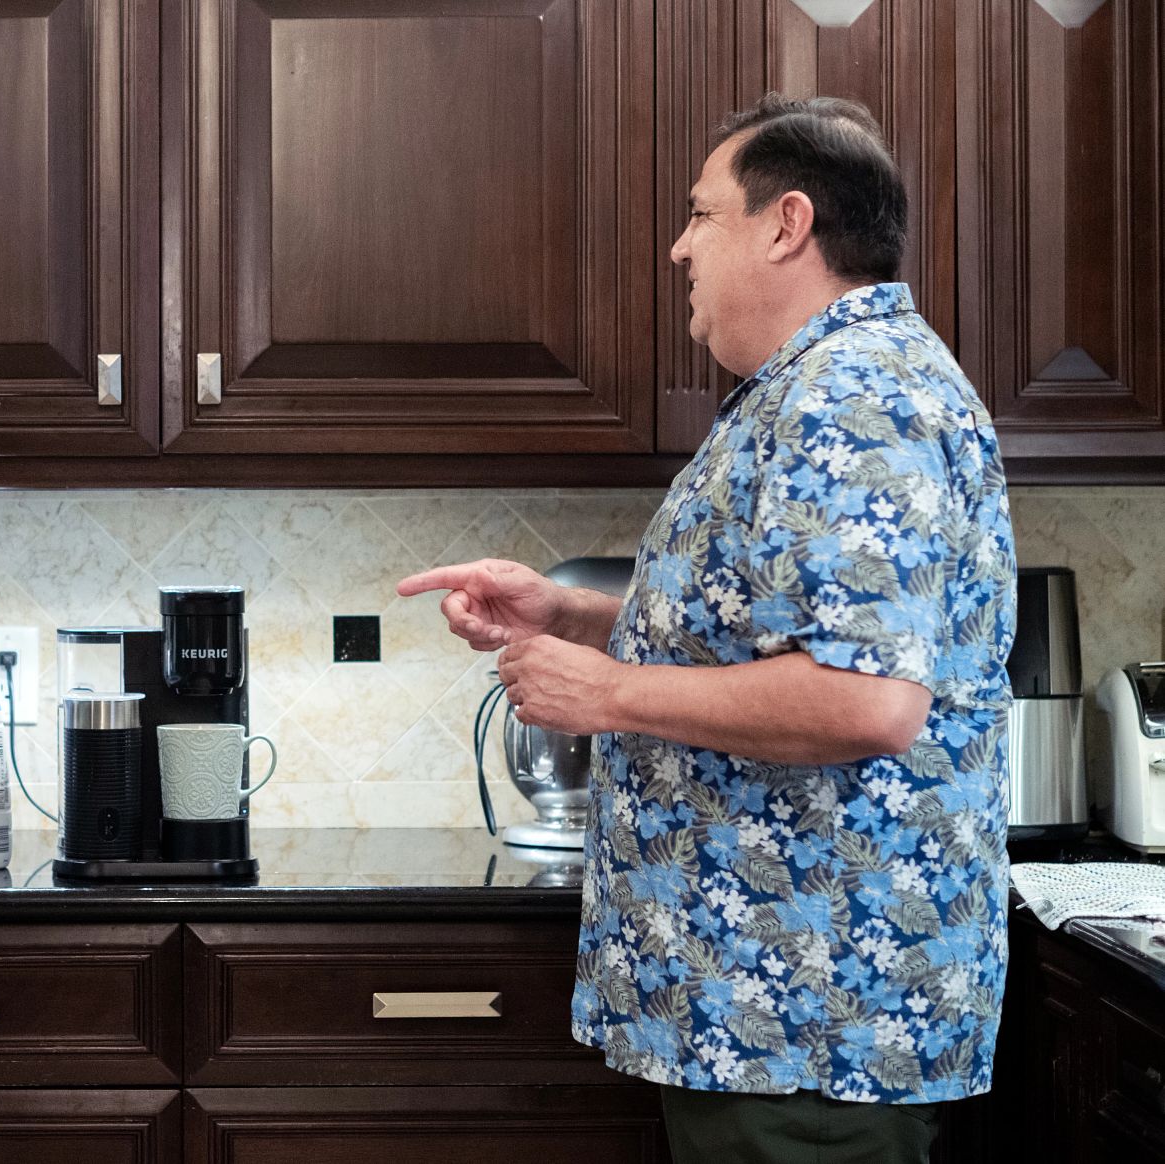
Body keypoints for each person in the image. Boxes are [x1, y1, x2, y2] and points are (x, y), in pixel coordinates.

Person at [399, 95, 1015, 1163]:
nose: (680, 246)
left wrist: (607, 695)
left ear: (786, 224)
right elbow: (772, 631)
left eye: (700, 215)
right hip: (758, 1011)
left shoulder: (857, 399)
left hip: (809, 1023)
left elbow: (863, 699)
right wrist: (578, 616)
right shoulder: (809, 392)